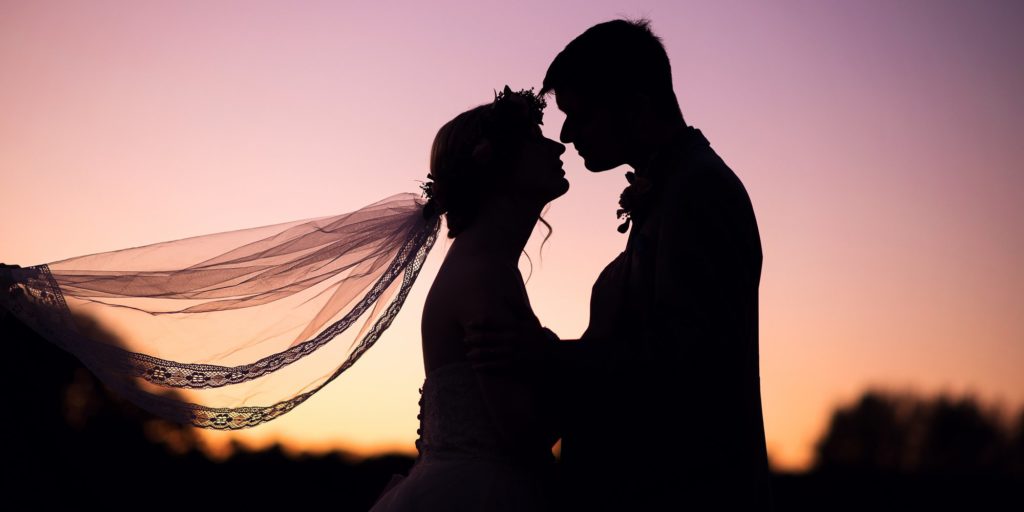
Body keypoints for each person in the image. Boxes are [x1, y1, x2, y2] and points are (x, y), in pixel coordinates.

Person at [471, 19, 775, 510]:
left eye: (580, 115)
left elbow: (688, 364)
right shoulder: (675, 186)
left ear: (635, 105)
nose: (567, 134)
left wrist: (545, 353)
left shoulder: (700, 191)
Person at [368, 87, 568, 511]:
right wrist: (577, 369)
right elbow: (523, 435)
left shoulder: (483, 262)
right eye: (535, 139)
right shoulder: (484, 275)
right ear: (496, 164)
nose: (557, 145)